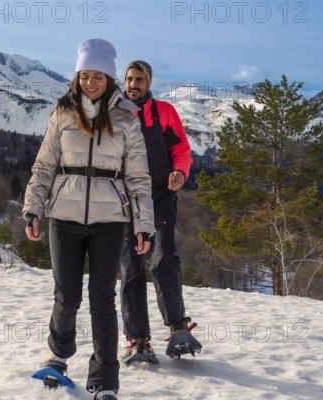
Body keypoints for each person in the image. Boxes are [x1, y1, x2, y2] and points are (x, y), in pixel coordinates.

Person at [23, 39, 155, 399]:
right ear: (77, 75)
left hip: (110, 221)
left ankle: (104, 381)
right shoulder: (62, 113)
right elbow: (44, 166)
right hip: (63, 216)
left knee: (101, 297)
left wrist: (144, 226)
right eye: (85, 75)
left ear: (110, 79)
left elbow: (139, 179)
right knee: (66, 294)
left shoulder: (127, 119)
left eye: (99, 76)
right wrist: (33, 208)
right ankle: (57, 357)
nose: (91, 82)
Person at [120, 60, 195, 364]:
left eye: (139, 79)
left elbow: (182, 151)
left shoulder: (164, 112)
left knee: (164, 258)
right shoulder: (116, 113)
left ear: (149, 82)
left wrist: (180, 171)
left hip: (161, 198)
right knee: (131, 268)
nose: (133, 84)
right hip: (126, 201)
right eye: (129, 79)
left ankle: (178, 326)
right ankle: (138, 339)